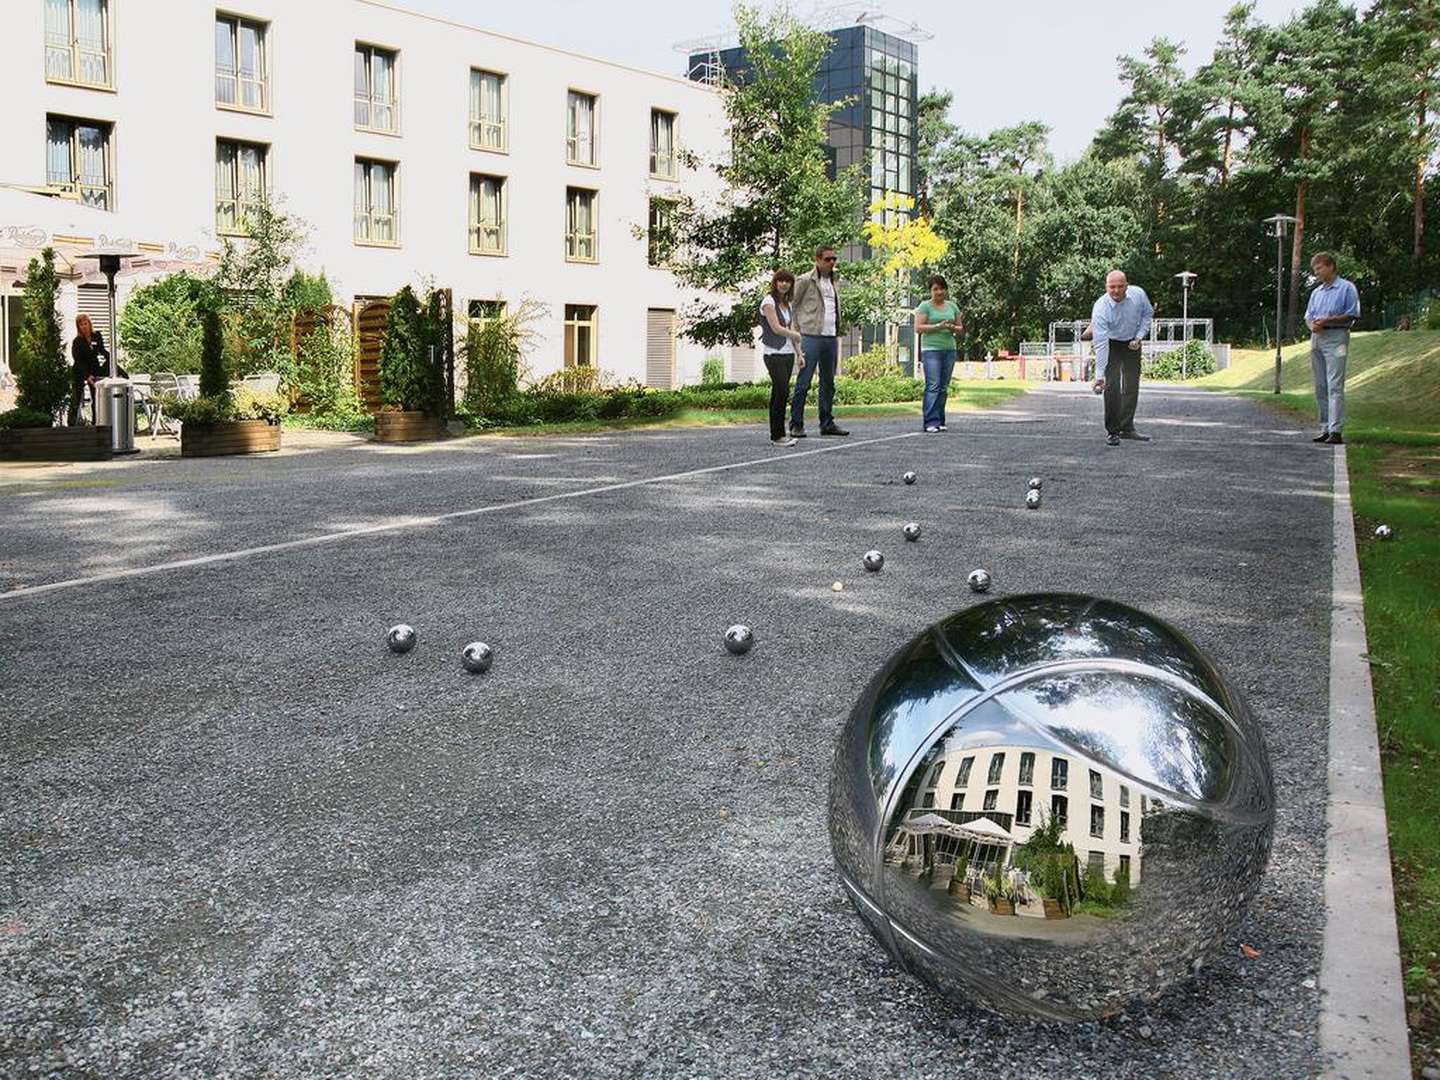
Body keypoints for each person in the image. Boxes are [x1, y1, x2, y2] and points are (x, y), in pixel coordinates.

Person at [789, 244, 849, 438]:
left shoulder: (835, 280)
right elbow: (793, 306)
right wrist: (796, 333)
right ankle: (796, 424)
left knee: (828, 383)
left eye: (834, 259)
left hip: (831, 337)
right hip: (810, 336)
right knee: (803, 382)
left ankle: (827, 423)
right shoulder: (805, 280)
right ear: (817, 260)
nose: (831, 262)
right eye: (827, 259)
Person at [1090, 270, 1153, 447]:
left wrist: (1139, 337)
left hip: (1132, 341)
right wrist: (1099, 375)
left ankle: (1127, 427)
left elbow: (1147, 314)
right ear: (1106, 287)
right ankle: (1113, 431)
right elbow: (1101, 345)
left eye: (1120, 286)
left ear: (1127, 285)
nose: (1116, 291)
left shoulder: (1138, 294)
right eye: (1112, 287)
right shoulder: (1100, 307)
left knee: (1132, 384)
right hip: (1111, 343)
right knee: (1112, 386)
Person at [1304, 252, 1360, 446]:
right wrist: (1312, 325)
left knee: (1334, 384)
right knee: (1320, 386)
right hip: (1317, 338)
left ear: (1330, 266)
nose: (1316, 273)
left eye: (1319, 268)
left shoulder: (1346, 288)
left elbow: (1352, 314)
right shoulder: (1316, 292)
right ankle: (1325, 427)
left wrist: (1327, 320)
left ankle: (1336, 430)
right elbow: (1308, 316)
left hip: (1337, 338)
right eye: (1315, 270)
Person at [759, 269, 805, 446]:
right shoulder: (768, 302)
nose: (784, 284)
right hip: (773, 353)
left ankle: (777, 434)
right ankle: (778, 436)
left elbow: (792, 333)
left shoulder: (788, 305)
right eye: (781, 281)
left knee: (780, 393)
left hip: (787, 354)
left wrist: (799, 354)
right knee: (781, 392)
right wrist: (795, 334)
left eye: (788, 281)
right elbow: (776, 328)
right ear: (775, 282)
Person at [913, 275, 961, 433]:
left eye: (942, 288)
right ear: (930, 291)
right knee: (933, 385)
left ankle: (940, 420)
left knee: (943, 387)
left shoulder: (952, 306)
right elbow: (919, 328)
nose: (939, 292)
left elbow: (960, 327)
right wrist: (937, 326)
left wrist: (952, 328)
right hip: (931, 350)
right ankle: (930, 421)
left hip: (949, 348)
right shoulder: (925, 307)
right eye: (935, 289)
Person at [69, 314, 111, 426]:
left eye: (85, 323)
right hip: (80, 370)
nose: (84, 326)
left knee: (96, 397)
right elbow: (77, 360)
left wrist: (112, 359)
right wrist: (87, 376)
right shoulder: (77, 341)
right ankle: (72, 423)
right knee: (76, 398)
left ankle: (96, 422)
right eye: (81, 324)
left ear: (89, 324)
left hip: (94, 368)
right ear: (78, 327)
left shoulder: (96, 336)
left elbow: (102, 351)